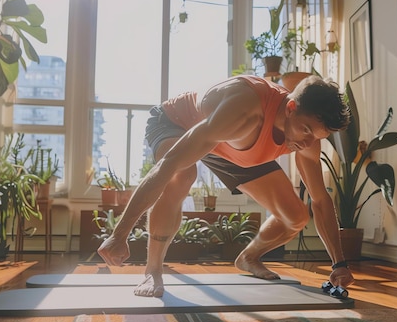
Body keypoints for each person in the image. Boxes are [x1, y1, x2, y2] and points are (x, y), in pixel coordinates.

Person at [98, 74, 356, 297]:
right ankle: (152, 271)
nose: (308, 141)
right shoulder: (244, 109)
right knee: (182, 174)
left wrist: (338, 264)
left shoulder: (306, 140)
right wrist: (119, 235)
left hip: (234, 147)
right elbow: (168, 165)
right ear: (290, 107)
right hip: (178, 123)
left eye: (317, 137)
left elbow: (320, 200)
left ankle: (248, 257)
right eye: (306, 130)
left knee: (296, 217)